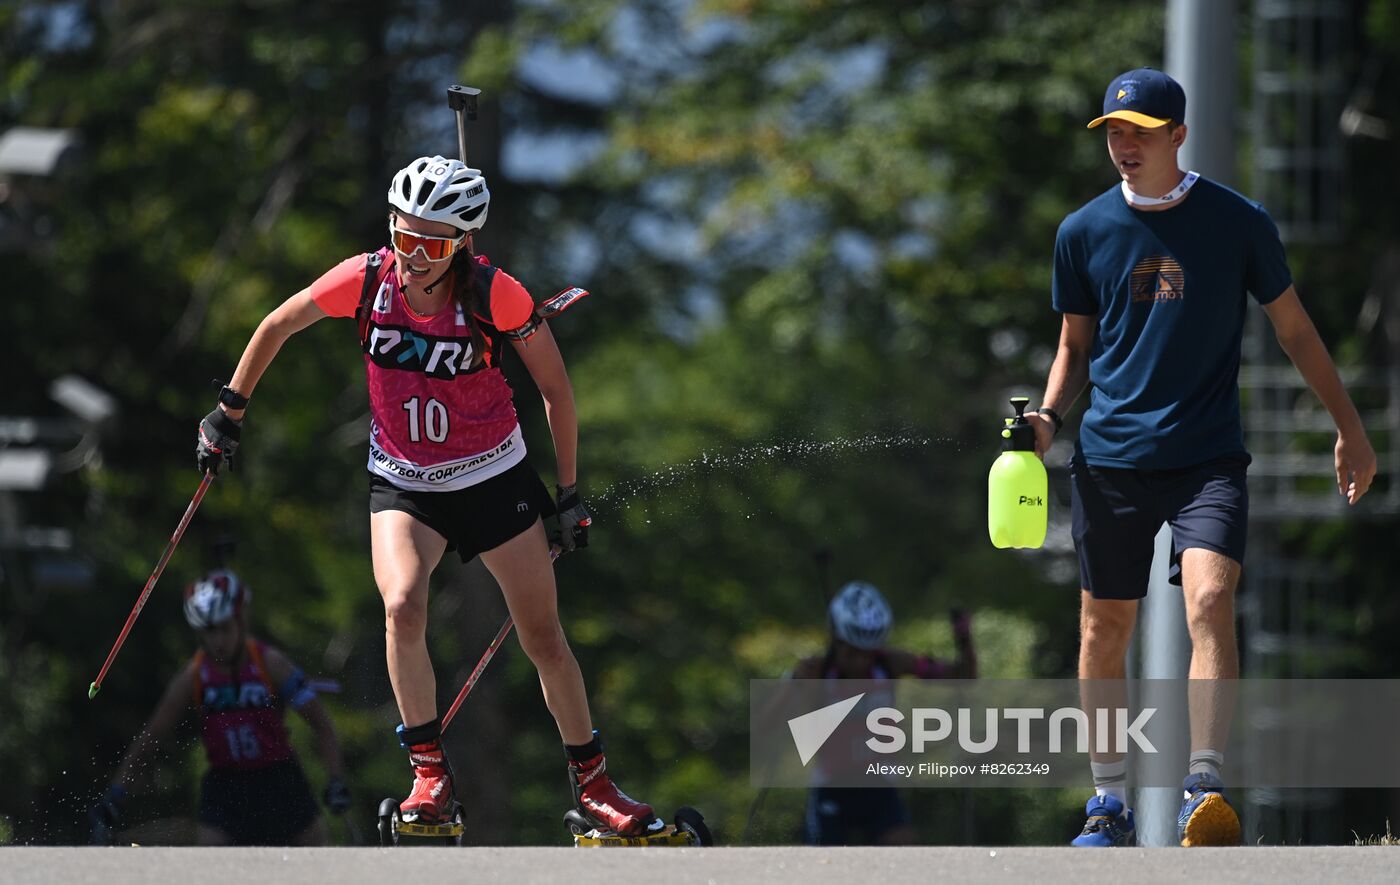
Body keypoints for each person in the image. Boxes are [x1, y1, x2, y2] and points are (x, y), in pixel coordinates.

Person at [193, 154, 656, 835]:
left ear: (461, 243)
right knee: (403, 605)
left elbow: (556, 392)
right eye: (403, 236)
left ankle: (594, 783)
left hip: (493, 475)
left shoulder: (496, 294)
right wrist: (228, 411)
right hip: (405, 480)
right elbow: (276, 325)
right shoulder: (369, 278)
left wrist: (568, 492)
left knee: (543, 638)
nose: (412, 256)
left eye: (430, 245)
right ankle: (429, 776)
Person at [1033, 68, 1378, 847]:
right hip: (1111, 456)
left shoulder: (1237, 221)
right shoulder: (1081, 231)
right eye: (1115, 132)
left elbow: (1295, 329)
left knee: (1209, 603)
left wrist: (1350, 427)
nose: (1124, 145)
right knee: (1101, 630)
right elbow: (1072, 346)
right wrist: (1049, 418)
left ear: (1177, 135)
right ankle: (1108, 805)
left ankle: (1203, 789)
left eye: (1141, 132)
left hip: (1207, 456)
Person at [90, 569, 349, 845]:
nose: (218, 642)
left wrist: (336, 780)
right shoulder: (194, 675)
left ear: (240, 620)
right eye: (208, 632)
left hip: (280, 782)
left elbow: (321, 723)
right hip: (226, 788)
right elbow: (152, 736)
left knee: (316, 855)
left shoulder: (270, 663)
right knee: (212, 858)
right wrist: (116, 794)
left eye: (224, 628)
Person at [792, 580, 976, 845]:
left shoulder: (890, 663)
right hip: (832, 787)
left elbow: (963, 677)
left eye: (867, 653)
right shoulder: (817, 671)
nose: (860, 662)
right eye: (852, 652)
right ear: (836, 641)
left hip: (879, 785)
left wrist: (965, 640)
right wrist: (799, 686)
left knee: (903, 854)